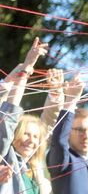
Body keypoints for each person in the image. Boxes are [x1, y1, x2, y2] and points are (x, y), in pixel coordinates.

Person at [0, 37, 49, 194]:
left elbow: (49, 123)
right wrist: (26, 69)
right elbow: (10, 115)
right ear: (15, 134)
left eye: (36, 137)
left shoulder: (35, 173)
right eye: (26, 134)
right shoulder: (6, 155)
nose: (31, 141)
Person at [47, 75, 88, 194]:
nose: (86, 135)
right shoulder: (64, 160)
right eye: (80, 130)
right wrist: (71, 100)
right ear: (68, 132)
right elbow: (59, 141)